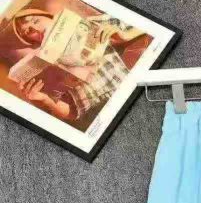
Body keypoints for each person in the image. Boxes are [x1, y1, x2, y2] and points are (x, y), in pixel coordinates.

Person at [9, 8, 145, 122]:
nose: (34, 28)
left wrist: (126, 35)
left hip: (136, 80)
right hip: (116, 111)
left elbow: (147, 23)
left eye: (35, 20)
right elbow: (73, 112)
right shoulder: (45, 68)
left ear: (49, 16)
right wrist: (45, 100)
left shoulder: (89, 23)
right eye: (28, 31)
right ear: (32, 41)